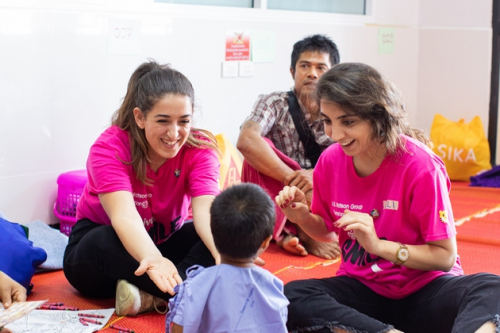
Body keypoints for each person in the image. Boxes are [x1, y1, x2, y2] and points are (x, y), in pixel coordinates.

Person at [276, 62, 500, 333]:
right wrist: (302, 218)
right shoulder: (330, 162)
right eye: (327, 121)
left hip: (426, 292)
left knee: (491, 289)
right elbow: (328, 231)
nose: (334, 134)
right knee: (292, 296)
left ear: (377, 116)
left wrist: (380, 247)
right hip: (364, 292)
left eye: (347, 122)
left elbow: (445, 257)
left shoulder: (420, 166)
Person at [63, 60, 221, 317]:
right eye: (163, 121)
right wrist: (154, 261)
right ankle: (186, 292)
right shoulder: (111, 147)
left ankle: (153, 295)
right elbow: (124, 217)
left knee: (229, 231)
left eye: (184, 121)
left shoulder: (200, 149)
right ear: (140, 117)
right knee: (102, 239)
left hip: (162, 246)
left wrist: (224, 254)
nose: (174, 133)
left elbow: (206, 213)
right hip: (107, 255)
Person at [237, 34, 341, 260]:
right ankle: (299, 231)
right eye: (305, 66)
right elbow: (246, 139)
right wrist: (295, 180)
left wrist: (316, 175)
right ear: (293, 71)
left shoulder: (342, 107)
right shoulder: (274, 102)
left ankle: (288, 233)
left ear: (332, 75)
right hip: (281, 187)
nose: (312, 73)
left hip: (323, 183)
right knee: (256, 147)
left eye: (321, 67)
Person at [166, 183, 289, 333]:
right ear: (266, 242)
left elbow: (179, 329)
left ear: (212, 232)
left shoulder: (196, 284)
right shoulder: (273, 286)